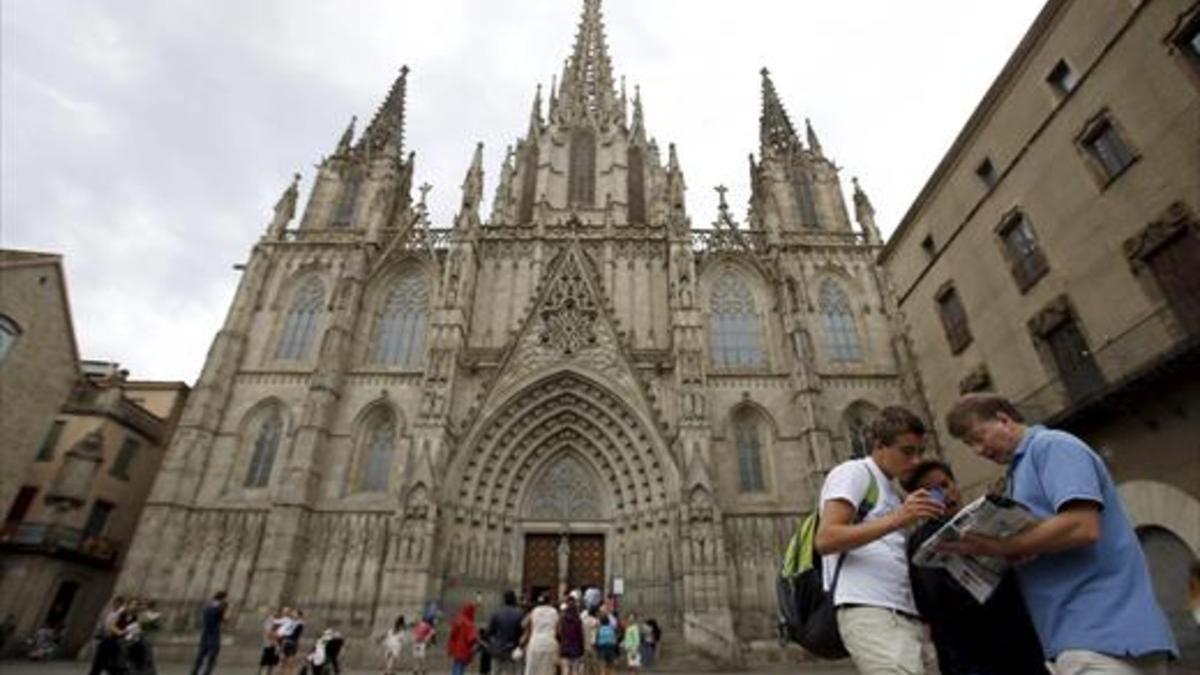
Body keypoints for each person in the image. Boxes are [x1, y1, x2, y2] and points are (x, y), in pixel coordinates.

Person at [943, 395, 1178, 675]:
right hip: (1082, 637)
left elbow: (1082, 526)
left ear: (1004, 419)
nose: (979, 450)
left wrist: (1001, 546)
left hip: (1100, 635)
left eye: (979, 437)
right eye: (970, 445)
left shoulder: (1052, 447)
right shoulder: (1019, 471)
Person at [813, 405, 944, 674]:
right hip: (870, 609)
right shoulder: (855, 472)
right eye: (907, 451)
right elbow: (826, 538)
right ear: (879, 445)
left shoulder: (891, 491)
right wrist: (900, 518)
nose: (916, 461)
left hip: (904, 614)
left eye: (920, 452)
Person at [902, 460, 1047, 674]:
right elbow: (934, 600)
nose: (945, 493)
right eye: (933, 491)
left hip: (1020, 643)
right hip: (972, 654)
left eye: (945, 484)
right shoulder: (923, 541)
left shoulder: (982, 519)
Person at [190, 591, 228, 675]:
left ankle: (194, 672)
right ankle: (206, 673)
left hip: (205, 633)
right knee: (212, 656)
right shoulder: (220, 607)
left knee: (201, 655)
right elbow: (224, 619)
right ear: (223, 598)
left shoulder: (207, 606)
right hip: (214, 633)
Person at [487, 590, 524, 675]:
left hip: (498, 647)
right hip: (511, 647)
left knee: (495, 671)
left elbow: (489, 632)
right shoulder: (519, 614)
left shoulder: (496, 613)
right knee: (510, 672)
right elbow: (520, 632)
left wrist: (493, 642)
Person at [89, 595, 128, 675]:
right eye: (114, 602)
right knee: (100, 661)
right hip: (106, 638)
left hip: (114, 639)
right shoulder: (111, 612)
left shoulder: (122, 613)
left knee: (109, 662)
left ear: (121, 603)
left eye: (117, 603)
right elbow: (104, 623)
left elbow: (121, 627)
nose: (115, 604)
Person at [522, 593, 559, 675]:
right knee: (548, 671)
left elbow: (524, 624)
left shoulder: (534, 611)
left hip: (535, 644)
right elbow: (558, 629)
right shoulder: (554, 612)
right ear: (550, 601)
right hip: (550, 644)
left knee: (533, 670)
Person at [448, 603, 479, 675]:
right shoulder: (469, 624)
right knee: (460, 668)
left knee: (456, 666)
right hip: (464, 649)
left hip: (456, 648)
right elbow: (472, 638)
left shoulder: (459, 620)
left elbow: (453, 633)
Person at [557, 594, 585, 674]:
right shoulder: (578, 618)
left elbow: (559, 632)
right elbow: (580, 634)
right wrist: (582, 648)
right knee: (575, 670)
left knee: (565, 671)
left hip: (565, 646)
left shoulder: (562, 617)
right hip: (576, 647)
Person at [259, 607, 282, 675]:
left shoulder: (274, 620)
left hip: (272, 644)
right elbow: (267, 632)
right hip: (270, 644)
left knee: (271, 663)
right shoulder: (270, 620)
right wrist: (275, 637)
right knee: (267, 662)